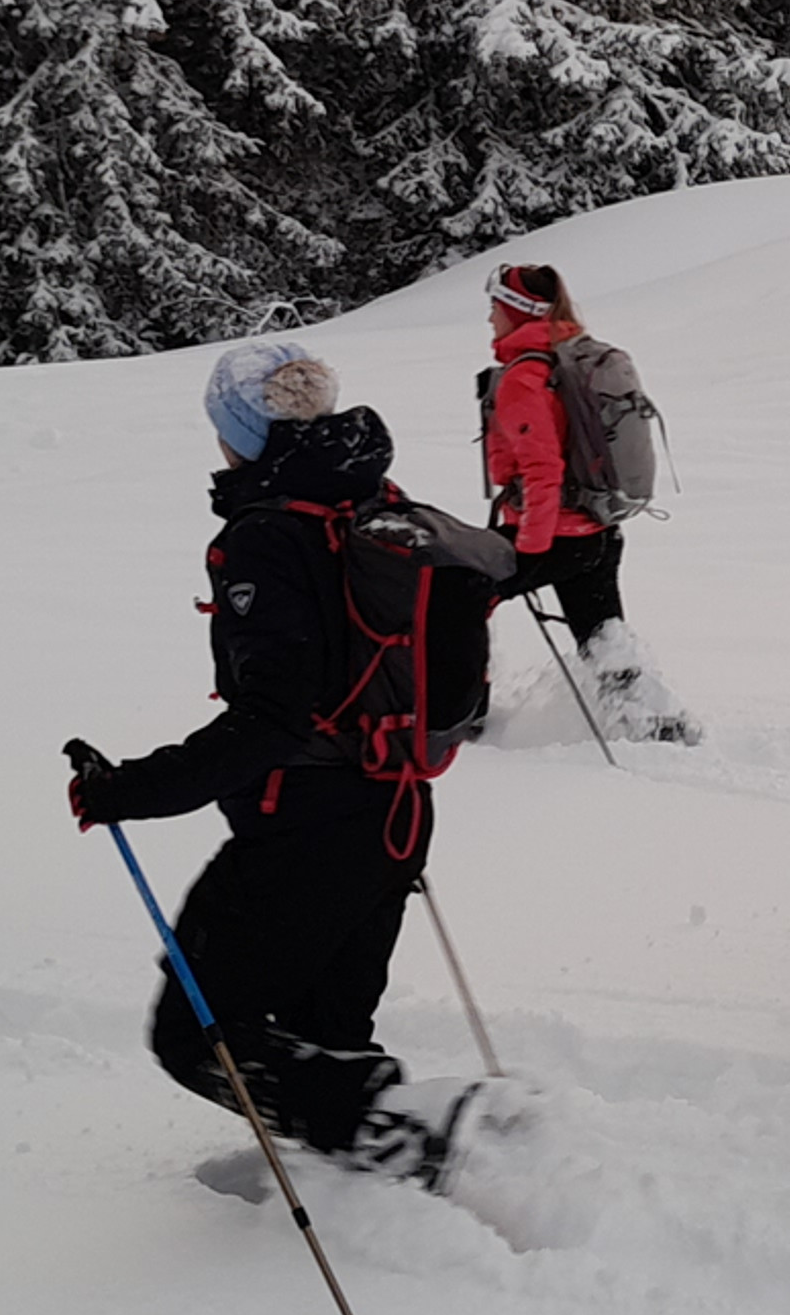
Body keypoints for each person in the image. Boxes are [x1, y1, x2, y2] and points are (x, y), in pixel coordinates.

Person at [66, 340, 508, 1181]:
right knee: (322, 1038)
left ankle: (411, 1136)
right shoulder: (373, 498)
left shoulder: (267, 536)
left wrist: (130, 790)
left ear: (238, 434)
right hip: (396, 813)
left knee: (199, 1032)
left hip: (309, 823)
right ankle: (396, 1182)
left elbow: (275, 718)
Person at [481, 262, 694, 743]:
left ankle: (460, 714)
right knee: (603, 634)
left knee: (457, 598)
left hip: (549, 533)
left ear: (516, 311)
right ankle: (654, 723)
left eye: (495, 308)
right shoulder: (567, 359)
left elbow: (542, 469)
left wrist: (530, 548)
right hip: (598, 529)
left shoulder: (525, 377)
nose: (490, 319)